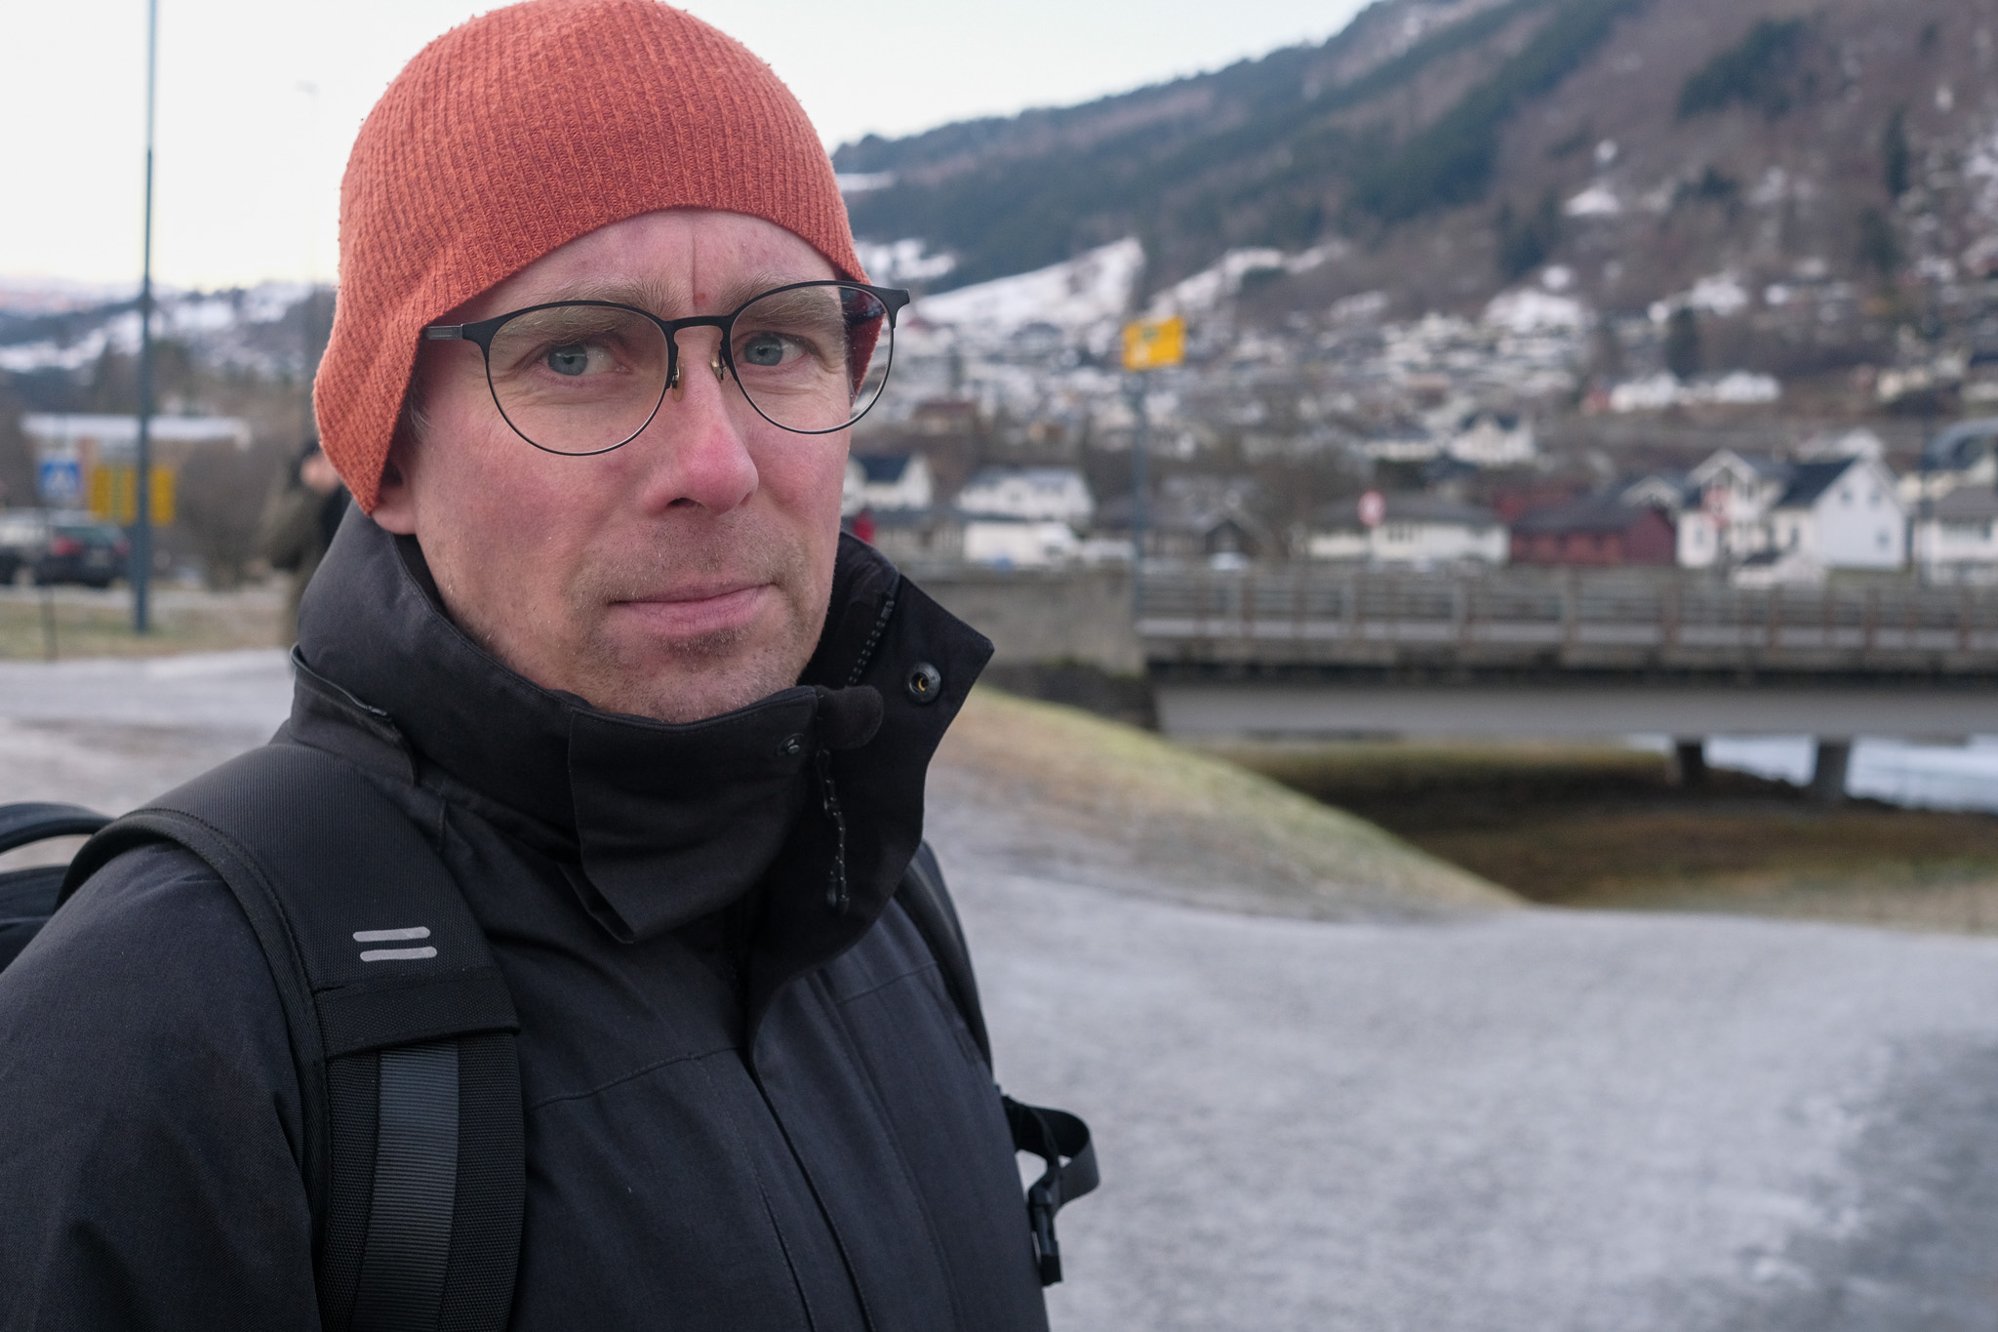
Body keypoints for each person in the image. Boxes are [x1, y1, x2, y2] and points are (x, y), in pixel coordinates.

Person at [0, 3, 1077, 1327]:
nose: (716, 464)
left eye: (775, 344)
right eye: (576, 354)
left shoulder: (877, 885)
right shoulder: (160, 1026)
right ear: (390, 452)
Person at [256, 438, 349, 642]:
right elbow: (273, 551)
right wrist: (312, 493)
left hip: (362, 622)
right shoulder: (299, 471)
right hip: (309, 628)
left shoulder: (364, 466)